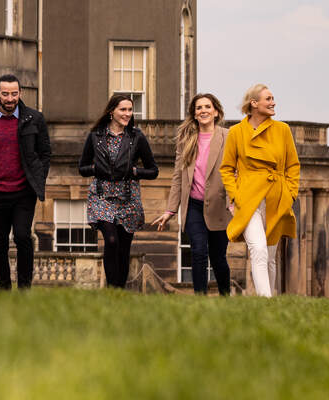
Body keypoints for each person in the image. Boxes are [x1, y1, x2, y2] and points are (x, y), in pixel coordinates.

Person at [0, 74, 53, 291]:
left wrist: (37, 180)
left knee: (23, 237)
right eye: (5, 94)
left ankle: (24, 289)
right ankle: (3, 290)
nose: (10, 98)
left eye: (14, 94)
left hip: (23, 192)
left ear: (20, 93)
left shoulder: (35, 119)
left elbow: (45, 153)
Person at [219, 83, 300, 297]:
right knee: (259, 250)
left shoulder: (282, 130)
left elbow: (293, 165)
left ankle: (269, 302)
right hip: (248, 199)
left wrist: (290, 194)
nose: (273, 102)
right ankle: (266, 299)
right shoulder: (236, 132)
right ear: (254, 103)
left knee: (270, 256)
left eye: (273, 99)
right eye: (268, 99)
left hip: (276, 197)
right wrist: (235, 196)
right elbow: (227, 168)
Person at [151, 92, 232, 296]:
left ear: (215, 112)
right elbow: (178, 177)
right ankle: (200, 299)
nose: (203, 110)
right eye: (199, 108)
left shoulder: (228, 137)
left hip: (219, 206)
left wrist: (235, 202)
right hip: (194, 205)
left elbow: (236, 171)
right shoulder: (186, 140)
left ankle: (225, 296)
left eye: (207, 107)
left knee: (218, 257)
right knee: (197, 251)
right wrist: (170, 210)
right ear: (194, 114)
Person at [78, 93, 157, 289]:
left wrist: (135, 171)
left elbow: (153, 170)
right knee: (111, 241)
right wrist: (95, 169)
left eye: (130, 110)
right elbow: (82, 167)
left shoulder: (136, 137)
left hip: (128, 198)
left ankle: (119, 291)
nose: (127, 113)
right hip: (101, 196)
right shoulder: (95, 136)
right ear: (111, 111)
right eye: (123, 109)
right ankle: (112, 289)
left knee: (123, 248)